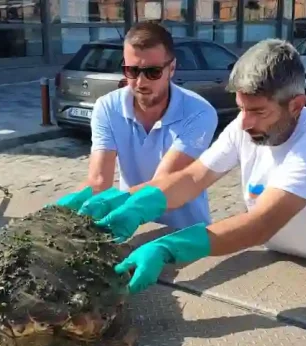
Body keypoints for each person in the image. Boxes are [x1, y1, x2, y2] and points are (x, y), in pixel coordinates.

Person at [57, 38, 306, 294]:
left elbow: (261, 224)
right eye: (242, 109)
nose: (246, 122)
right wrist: (132, 203)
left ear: (296, 105)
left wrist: (171, 247)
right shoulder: (244, 125)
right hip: (283, 266)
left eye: (259, 112)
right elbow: (194, 177)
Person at [56, 21, 219, 231]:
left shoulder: (199, 112)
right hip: (132, 225)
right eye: (132, 71)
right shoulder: (107, 108)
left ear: (172, 68)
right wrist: (63, 213)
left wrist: (112, 203)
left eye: (152, 72)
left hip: (184, 232)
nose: (141, 82)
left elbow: (163, 184)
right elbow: (99, 180)